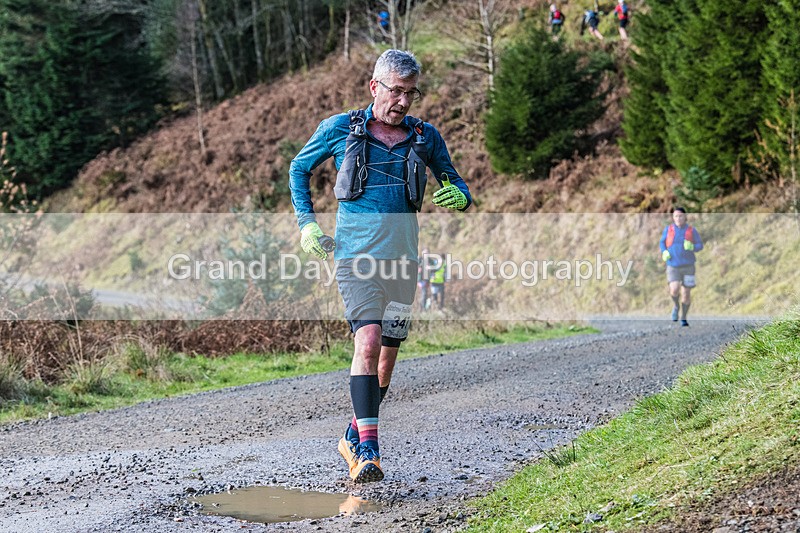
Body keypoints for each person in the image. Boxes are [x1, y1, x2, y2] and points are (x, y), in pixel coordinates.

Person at [288, 49, 473, 483]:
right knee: (367, 344)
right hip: (356, 259)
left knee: (386, 362)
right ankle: (369, 451)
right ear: (375, 87)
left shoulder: (426, 136)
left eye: (412, 93)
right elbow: (299, 169)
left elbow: (455, 179)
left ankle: (353, 433)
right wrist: (307, 226)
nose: (404, 102)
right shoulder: (339, 128)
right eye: (396, 91)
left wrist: (461, 196)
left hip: (403, 263)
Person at [659, 207, 704, 327]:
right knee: (674, 289)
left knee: (686, 293)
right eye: (676, 216)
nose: (678, 218)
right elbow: (662, 243)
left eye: (680, 216)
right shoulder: (668, 230)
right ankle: (676, 306)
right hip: (673, 265)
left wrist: (692, 247)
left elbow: (700, 245)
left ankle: (683, 317)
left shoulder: (691, 230)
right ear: (673, 218)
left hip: (688, 265)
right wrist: (664, 252)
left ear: (685, 217)